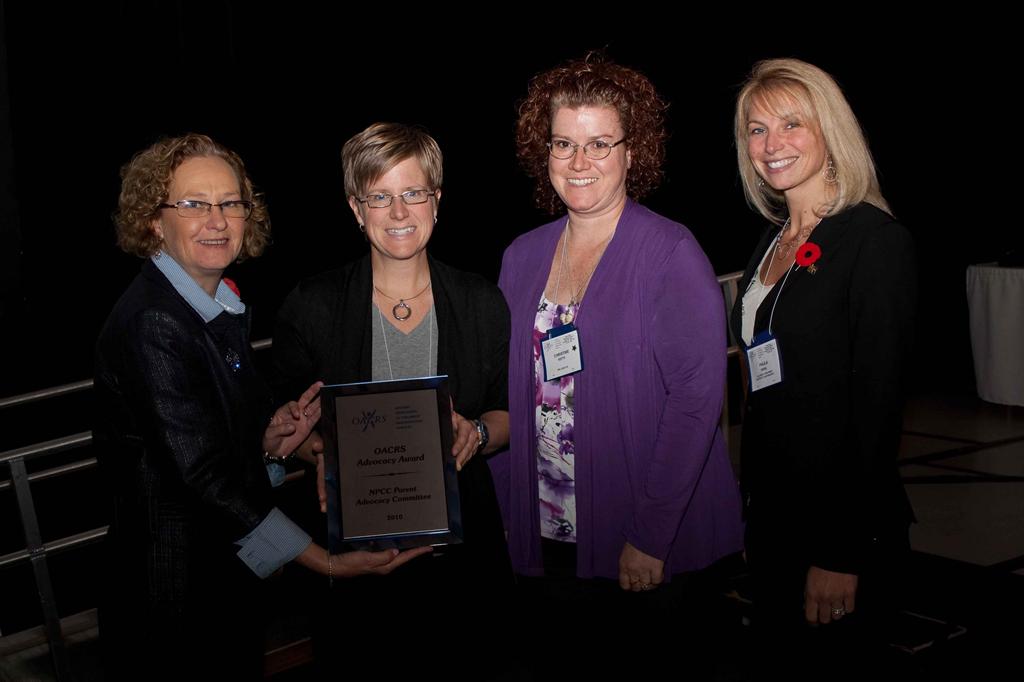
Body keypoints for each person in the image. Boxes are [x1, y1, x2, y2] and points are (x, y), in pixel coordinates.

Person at [94, 133, 425, 680]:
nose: (217, 219)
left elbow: (209, 437)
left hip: (217, 578)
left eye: (230, 203)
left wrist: (269, 444)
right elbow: (200, 479)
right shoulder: (157, 321)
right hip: (174, 598)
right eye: (194, 204)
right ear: (154, 219)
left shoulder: (212, 304)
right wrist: (326, 562)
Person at [493, 53, 744, 672]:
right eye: (563, 143)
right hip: (550, 533)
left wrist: (650, 533)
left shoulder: (670, 252)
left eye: (600, 143)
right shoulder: (521, 257)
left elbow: (694, 404)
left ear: (634, 153)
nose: (579, 163)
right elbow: (510, 389)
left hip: (645, 540)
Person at [272, 122, 512, 673]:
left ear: (437, 200)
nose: (399, 212)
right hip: (356, 558)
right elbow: (287, 426)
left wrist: (473, 435)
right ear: (357, 209)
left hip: (463, 560)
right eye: (380, 196)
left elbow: (508, 415)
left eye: (413, 193)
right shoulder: (311, 306)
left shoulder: (480, 301)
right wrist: (320, 454)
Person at [730, 58, 917, 671]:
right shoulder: (771, 239)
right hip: (775, 516)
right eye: (756, 130)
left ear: (829, 130)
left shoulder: (873, 239)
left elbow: (878, 409)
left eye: (791, 124)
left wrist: (842, 552)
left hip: (842, 525)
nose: (771, 144)